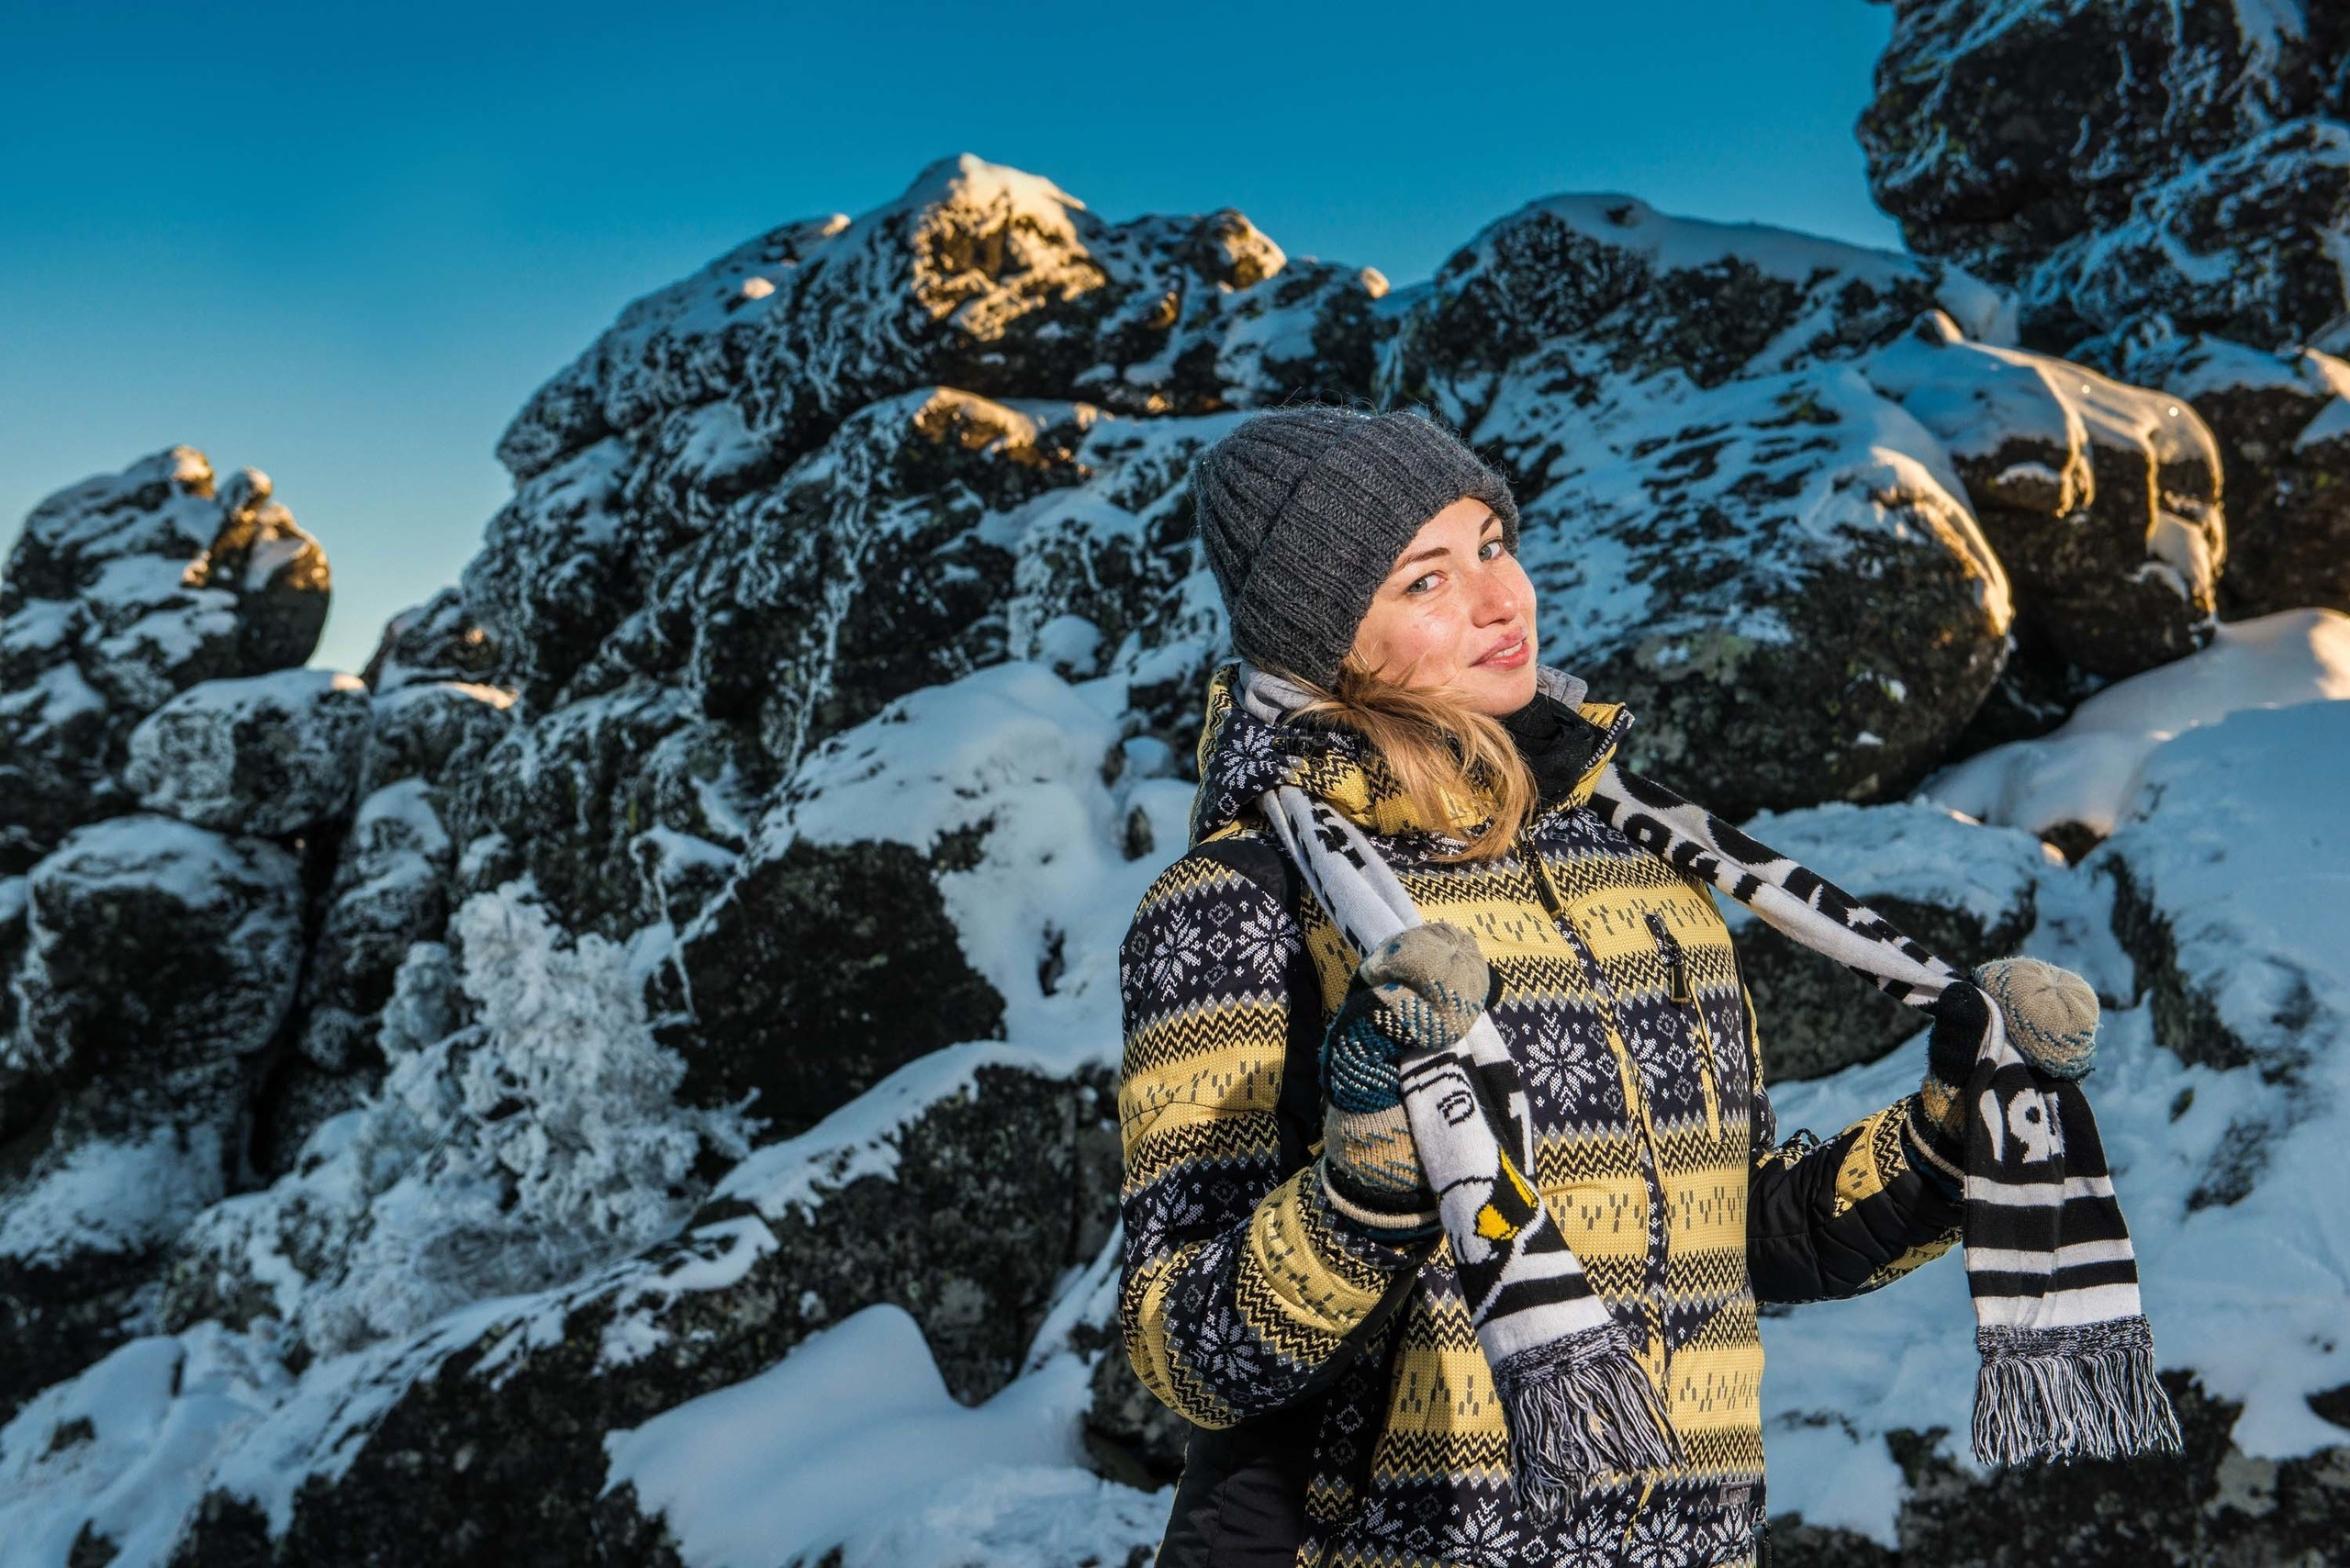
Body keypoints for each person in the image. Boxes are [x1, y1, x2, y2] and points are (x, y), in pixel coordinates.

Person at [1114, 403, 2012, 1568]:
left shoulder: (1646, 871)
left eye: (1492, 544)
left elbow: (1739, 1231)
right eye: (1424, 582)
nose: (1500, 599)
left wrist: (1959, 1126)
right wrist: (1365, 1186)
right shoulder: (1239, 900)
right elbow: (1185, 1349)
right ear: (1322, 644)